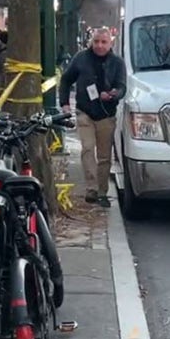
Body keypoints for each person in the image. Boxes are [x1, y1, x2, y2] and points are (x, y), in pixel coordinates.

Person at [59, 27, 126, 207]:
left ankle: (102, 191)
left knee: (104, 156)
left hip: (106, 114)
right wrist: (64, 103)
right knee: (88, 148)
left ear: (110, 43)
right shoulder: (81, 58)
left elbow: (122, 86)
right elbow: (66, 80)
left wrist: (113, 94)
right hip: (85, 111)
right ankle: (91, 188)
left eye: (103, 42)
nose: (99, 45)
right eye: (96, 41)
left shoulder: (117, 62)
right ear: (91, 41)